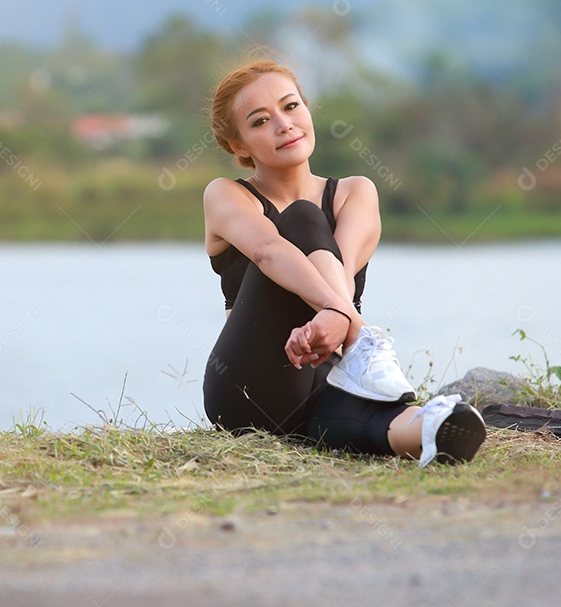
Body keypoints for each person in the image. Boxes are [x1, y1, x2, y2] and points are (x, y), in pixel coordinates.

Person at [202, 59, 486, 467]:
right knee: (301, 217)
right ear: (239, 146)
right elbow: (268, 250)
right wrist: (345, 318)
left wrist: (335, 313)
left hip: (326, 381)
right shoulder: (226, 195)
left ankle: (432, 429)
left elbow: (343, 269)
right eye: (260, 121)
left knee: (367, 421)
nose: (284, 124)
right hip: (249, 388)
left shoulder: (355, 192)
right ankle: (362, 340)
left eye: (291, 106)